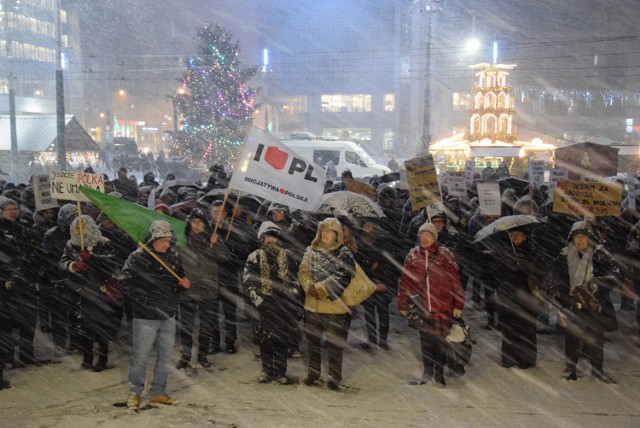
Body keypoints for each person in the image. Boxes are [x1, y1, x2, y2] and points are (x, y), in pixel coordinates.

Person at [119, 220, 191, 409]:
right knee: (140, 357)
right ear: (153, 239)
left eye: (169, 240)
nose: (166, 244)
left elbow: (178, 279)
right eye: (163, 240)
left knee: (165, 357)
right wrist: (145, 300)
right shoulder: (137, 257)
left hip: (168, 314)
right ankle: (135, 393)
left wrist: (182, 284)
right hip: (145, 317)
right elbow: (125, 283)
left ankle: (158, 392)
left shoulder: (174, 256)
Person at [545, 221, 623, 383]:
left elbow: (616, 274)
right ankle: (570, 368)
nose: (580, 240)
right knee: (572, 337)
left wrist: (597, 283)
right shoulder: (564, 255)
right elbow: (555, 280)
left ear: (590, 238)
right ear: (572, 238)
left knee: (596, 336)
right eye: (577, 237)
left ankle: (597, 370)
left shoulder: (599, 254)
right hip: (572, 301)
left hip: (595, 302)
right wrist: (560, 304)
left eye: (583, 237)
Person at [398, 222, 464, 388]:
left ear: (435, 237)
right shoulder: (412, 256)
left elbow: (455, 281)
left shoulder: (445, 255)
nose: (424, 238)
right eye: (422, 234)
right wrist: (403, 304)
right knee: (425, 341)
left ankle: (440, 374)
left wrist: (458, 304)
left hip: (442, 306)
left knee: (440, 342)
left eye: (428, 235)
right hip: (421, 307)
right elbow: (405, 282)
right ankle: (427, 372)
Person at [298, 217, 355, 390]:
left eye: (329, 231)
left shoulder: (344, 253)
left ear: (337, 234)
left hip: (334, 307)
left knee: (334, 344)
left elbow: (343, 276)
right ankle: (313, 373)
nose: (325, 234)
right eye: (323, 230)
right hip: (312, 305)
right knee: (312, 342)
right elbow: (303, 271)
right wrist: (308, 286)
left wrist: (321, 288)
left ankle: (334, 376)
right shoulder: (311, 251)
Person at [243, 221, 301, 384]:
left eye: (274, 237)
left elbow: (295, 280)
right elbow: (248, 281)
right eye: (268, 236)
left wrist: (292, 296)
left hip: (283, 304)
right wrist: (258, 300)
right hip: (263, 305)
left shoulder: (287, 256)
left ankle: (281, 372)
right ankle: (267, 371)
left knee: (281, 340)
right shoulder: (254, 257)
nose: (271, 240)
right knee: (265, 340)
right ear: (262, 238)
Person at [59, 216, 117, 371]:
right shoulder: (71, 244)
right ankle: (87, 358)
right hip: (81, 291)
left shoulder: (103, 242)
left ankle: (103, 358)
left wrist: (93, 258)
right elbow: (61, 264)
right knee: (85, 328)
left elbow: (112, 262)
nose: (80, 230)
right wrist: (74, 265)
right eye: (77, 227)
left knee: (101, 326)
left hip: (100, 290)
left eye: (83, 226)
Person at [176, 208, 230, 369]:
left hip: (208, 291)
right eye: (194, 221)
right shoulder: (182, 242)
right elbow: (174, 264)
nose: (197, 225)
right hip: (187, 291)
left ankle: (203, 355)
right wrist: (180, 279)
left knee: (206, 326)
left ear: (206, 225)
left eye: (200, 222)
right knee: (186, 327)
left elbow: (225, 257)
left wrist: (217, 243)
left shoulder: (212, 241)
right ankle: (185, 356)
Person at [486, 227, 542, 369]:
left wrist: (522, 266)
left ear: (524, 237)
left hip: (527, 298)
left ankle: (526, 359)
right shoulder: (502, 252)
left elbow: (539, 273)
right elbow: (494, 273)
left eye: (519, 235)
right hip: (508, 296)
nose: (516, 237)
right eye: (513, 235)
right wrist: (509, 270)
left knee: (527, 329)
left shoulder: (532, 253)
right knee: (509, 329)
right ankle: (509, 358)